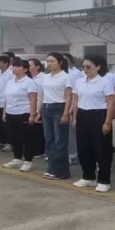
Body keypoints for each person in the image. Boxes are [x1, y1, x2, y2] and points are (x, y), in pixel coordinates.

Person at [71, 55, 115, 193]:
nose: (85, 69)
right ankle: (88, 176)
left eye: (88, 67)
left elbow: (111, 103)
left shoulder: (105, 82)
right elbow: (75, 100)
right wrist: (75, 118)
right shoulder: (79, 82)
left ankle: (104, 180)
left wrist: (107, 122)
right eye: (83, 67)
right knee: (83, 148)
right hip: (83, 115)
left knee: (102, 150)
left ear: (98, 67)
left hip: (99, 115)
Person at [2, 58, 40, 172]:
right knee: (14, 137)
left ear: (25, 69)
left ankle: (28, 161)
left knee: (27, 138)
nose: (14, 68)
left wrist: (32, 114)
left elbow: (33, 99)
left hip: (24, 112)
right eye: (13, 66)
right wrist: (4, 112)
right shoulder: (10, 81)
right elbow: (6, 98)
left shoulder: (30, 82)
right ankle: (17, 158)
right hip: (10, 112)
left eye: (18, 67)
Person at [41, 52, 72, 180]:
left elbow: (69, 97)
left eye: (52, 61)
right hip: (46, 108)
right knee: (49, 139)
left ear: (60, 63)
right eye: (48, 61)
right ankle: (51, 169)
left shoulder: (66, 77)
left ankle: (61, 171)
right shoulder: (46, 77)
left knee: (60, 141)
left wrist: (66, 113)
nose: (49, 64)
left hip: (59, 108)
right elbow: (43, 94)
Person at [27, 58, 47, 158]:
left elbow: (43, 96)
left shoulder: (44, 78)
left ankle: (40, 151)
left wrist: (39, 111)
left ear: (38, 66)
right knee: (31, 131)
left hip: (40, 107)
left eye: (30, 65)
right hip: (29, 107)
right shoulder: (29, 78)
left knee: (39, 131)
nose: (28, 67)